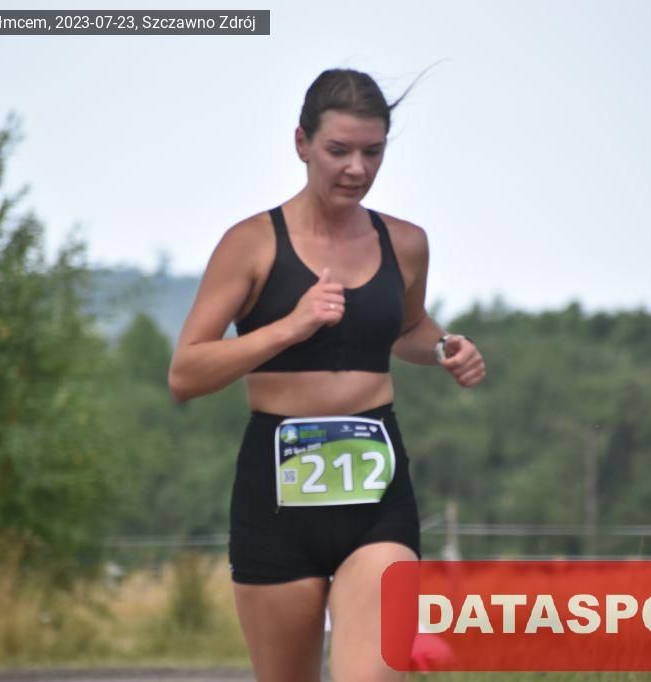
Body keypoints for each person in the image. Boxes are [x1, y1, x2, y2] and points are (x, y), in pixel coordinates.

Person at [168, 69, 485, 681]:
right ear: (302, 143)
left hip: (377, 491)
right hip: (276, 492)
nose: (357, 169)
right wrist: (289, 327)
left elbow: (407, 329)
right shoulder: (252, 243)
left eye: (373, 152)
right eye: (339, 150)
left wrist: (446, 346)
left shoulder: (406, 243)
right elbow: (187, 372)